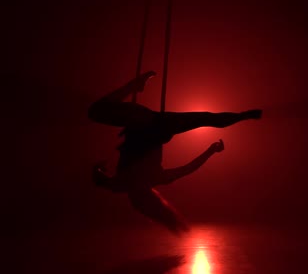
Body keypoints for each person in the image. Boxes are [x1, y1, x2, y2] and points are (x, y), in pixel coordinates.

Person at [89, 71, 262, 234]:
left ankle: (243, 116)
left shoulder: (132, 182)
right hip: (150, 124)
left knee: (205, 118)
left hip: (152, 124)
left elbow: (188, 168)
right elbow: (99, 178)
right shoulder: (125, 183)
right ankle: (134, 86)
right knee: (96, 111)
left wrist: (211, 151)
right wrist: (99, 171)